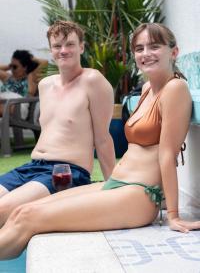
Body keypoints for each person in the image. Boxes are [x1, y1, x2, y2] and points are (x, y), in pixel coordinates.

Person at [1, 22, 200, 260]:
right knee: (21, 211)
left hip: (139, 193)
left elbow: (167, 154)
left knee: (27, 217)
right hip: (117, 183)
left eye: (154, 47)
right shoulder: (148, 88)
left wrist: (174, 214)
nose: (146, 54)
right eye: (139, 48)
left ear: (174, 52)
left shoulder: (175, 89)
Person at [0, 20, 115, 228]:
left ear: (81, 46)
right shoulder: (45, 85)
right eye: (57, 46)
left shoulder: (93, 81)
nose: (63, 50)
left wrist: (115, 187)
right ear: (51, 50)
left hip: (67, 171)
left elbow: (103, 138)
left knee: (3, 210)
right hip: (32, 166)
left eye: (70, 44)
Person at [0, 50, 47, 118]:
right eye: (11, 66)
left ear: (25, 67)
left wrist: (29, 58)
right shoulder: (7, 77)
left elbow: (45, 62)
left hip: (18, 107)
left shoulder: (31, 78)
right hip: (4, 103)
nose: (12, 69)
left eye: (15, 67)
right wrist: (8, 66)